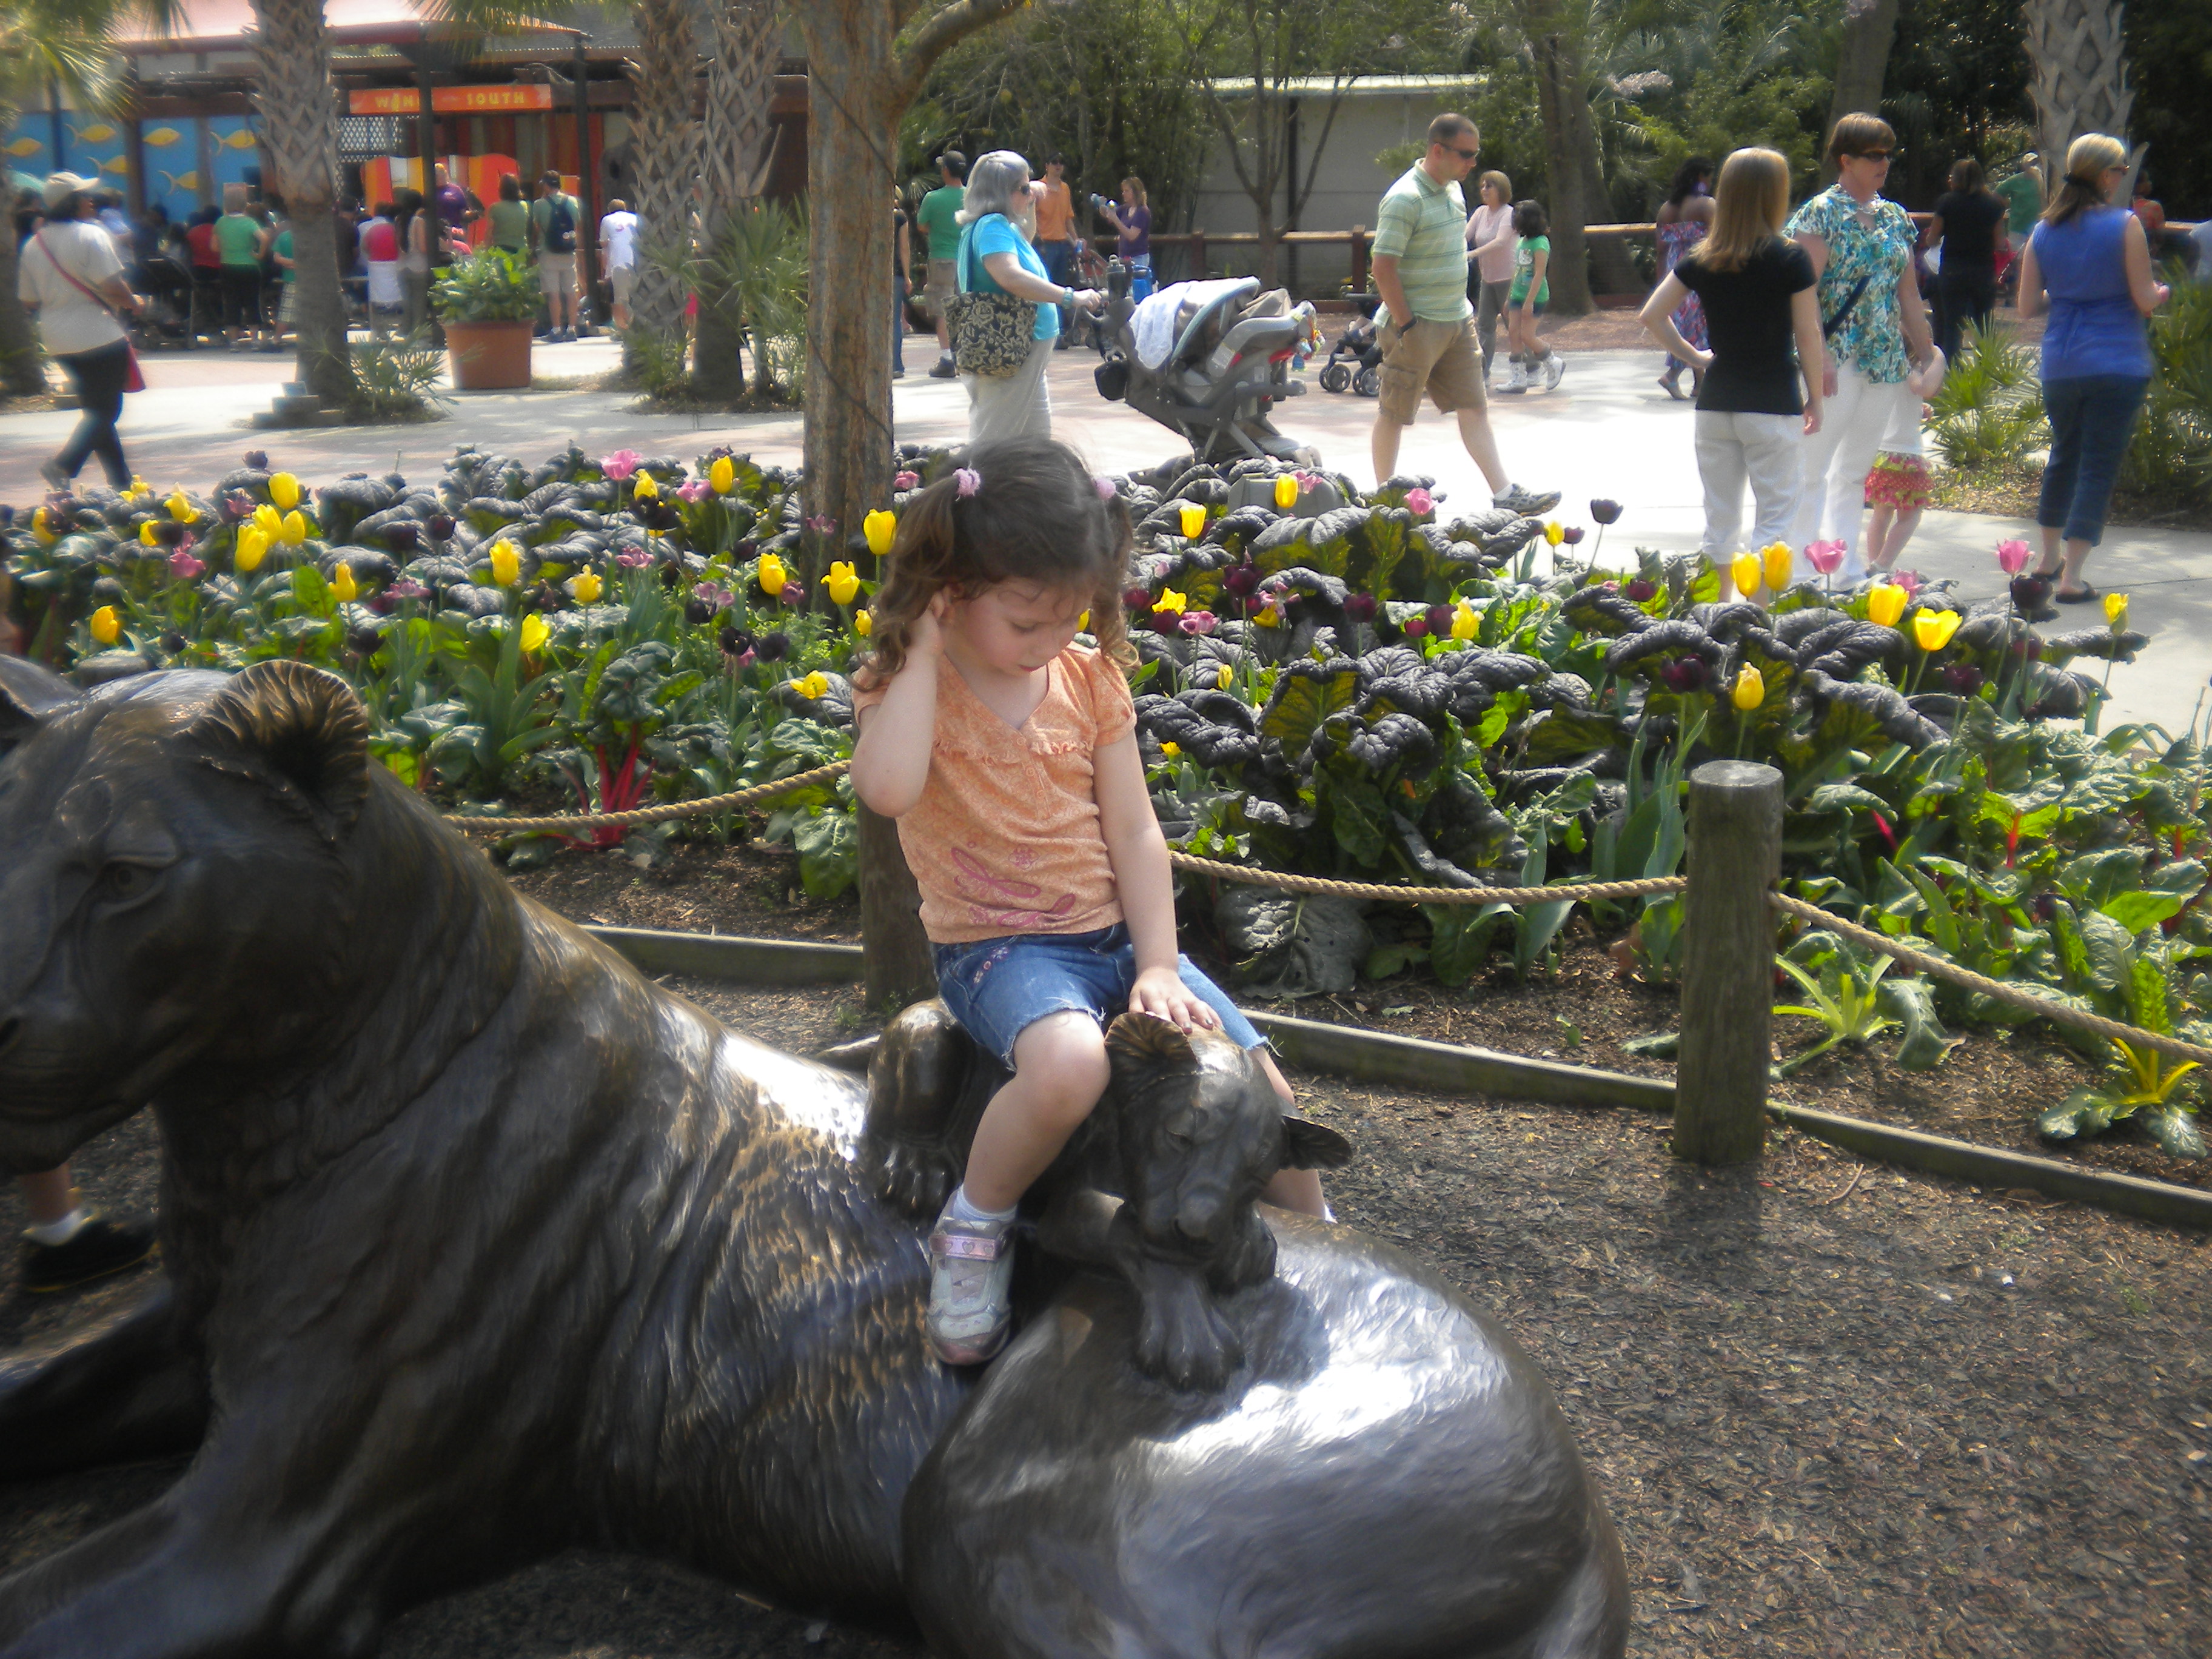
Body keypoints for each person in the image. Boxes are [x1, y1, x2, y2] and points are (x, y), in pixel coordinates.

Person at [847, 435, 1328, 1366]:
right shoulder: (909, 686)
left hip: (1115, 939)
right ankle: (974, 1226)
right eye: (1027, 622)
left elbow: (1136, 833)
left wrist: (1159, 964)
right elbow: (889, 791)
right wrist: (920, 649)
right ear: (951, 587)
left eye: (1069, 617)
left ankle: (1330, 1252)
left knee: (1265, 1098)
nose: (1050, 641)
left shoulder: (1087, 681)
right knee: (1070, 1069)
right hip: (1000, 951)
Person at [1639, 147, 1823, 585]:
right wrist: (1815, 396)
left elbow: (1652, 315)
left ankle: (1717, 612)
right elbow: (1808, 333)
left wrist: (1695, 357)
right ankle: (1759, 614)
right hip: (1773, 401)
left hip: (1716, 402)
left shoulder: (1704, 256)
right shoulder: (1791, 257)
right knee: (1775, 522)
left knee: (1719, 521)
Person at [1367, 116, 1558, 515]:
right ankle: (1384, 502)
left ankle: (1506, 495)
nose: (1473, 164)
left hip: (1457, 320)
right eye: (1466, 155)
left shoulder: (1453, 189)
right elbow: (1382, 268)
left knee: (1475, 406)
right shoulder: (1404, 199)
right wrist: (1407, 324)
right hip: (1415, 325)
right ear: (1438, 150)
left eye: (1475, 155)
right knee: (1395, 412)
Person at [2017, 132, 2170, 603]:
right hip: (2117, 361)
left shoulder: (2043, 231)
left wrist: (2068, 292)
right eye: (2121, 171)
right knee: (2098, 466)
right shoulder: (2125, 225)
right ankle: (2074, 577)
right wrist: (2163, 292)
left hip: (2062, 362)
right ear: (2105, 175)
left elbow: (2026, 306)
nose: (2123, 178)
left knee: (2063, 456)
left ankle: (2047, 560)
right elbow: (2145, 299)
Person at [1785, 112, 1933, 583]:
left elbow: (1908, 294)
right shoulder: (1820, 213)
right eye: (1873, 155)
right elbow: (1803, 290)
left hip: (1884, 360)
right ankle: (1800, 571)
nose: (1883, 163)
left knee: (1854, 473)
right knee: (1812, 468)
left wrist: (1929, 356)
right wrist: (1820, 357)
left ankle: (1843, 570)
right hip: (1836, 355)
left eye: (1888, 154)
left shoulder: (1895, 217)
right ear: (1845, 159)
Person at [951, 150, 1102, 443]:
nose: (1031, 192)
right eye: (1023, 188)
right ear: (1001, 192)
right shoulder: (992, 226)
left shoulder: (998, 226)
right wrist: (1070, 297)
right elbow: (1010, 276)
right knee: (994, 446)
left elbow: (1027, 235)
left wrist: (1029, 201)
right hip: (1010, 352)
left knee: (1036, 445)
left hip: (1021, 353)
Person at [19, 172, 143, 491]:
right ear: (72, 202)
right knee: (107, 410)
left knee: (96, 412)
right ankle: (64, 465)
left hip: (57, 338)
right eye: (85, 196)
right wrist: (134, 302)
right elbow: (112, 285)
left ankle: (122, 484)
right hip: (97, 332)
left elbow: (29, 300)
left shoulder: (35, 243)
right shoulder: (90, 234)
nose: (91, 200)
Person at [1859, 345, 1947, 575]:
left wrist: (1918, 409)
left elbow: (1898, 403)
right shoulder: (1911, 369)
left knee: (1881, 514)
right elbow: (1926, 388)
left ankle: (1875, 567)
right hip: (1904, 455)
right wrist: (1938, 356)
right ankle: (1882, 564)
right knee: (1910, 516)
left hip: (1882, 454)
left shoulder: (1887, 366)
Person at [1924, 158, 2008, 361]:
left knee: (1952, 325)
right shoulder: (1993, 205)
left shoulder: (1947, 202)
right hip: (1983, 270)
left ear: (1957, 179)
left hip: (1953, 270)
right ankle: (1986, 369)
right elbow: (2000, 243)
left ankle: (1953, 371)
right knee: (1984, 326)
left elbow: (1932, 239)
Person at [1653, 158, 1715, 399]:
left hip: (1674, 270)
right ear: (1701, 177)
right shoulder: (1707, 206)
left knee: (1688, 325)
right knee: (1697, 325)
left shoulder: (1666, 209)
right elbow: (1719, 241)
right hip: (1700, 267)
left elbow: (1660, 250)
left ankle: (1697, 383)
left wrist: (1660, 282)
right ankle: (1676, 376)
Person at [1502, 198, 1564, 394]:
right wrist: (1509, 297)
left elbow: (1539, 274)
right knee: (1513, 332)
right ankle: (1518, 378)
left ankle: (1552, 362)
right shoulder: (1522, 242)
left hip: (1535, 297)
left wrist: (1529, 302)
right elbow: (1517, 271)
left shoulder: (1541, 243)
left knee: (1527, 336)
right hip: (1517, 294)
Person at [917, 152, 968, 378]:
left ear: (946, 170)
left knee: (942, 310)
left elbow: (922, 226)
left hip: (941, 258)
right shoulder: (972, 197)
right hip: (966, 258)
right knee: (966, 307)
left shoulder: (932, 198)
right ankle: (966, 356)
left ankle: (947, 359)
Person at [1463, 169, 1515, 381]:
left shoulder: (1509, 214)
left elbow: (1501, 242)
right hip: (1488, 279)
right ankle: (1482, 372)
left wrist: (1471, 254)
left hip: (1509, 279)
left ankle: (1533, 365)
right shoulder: (1480, 212)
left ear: (1501, 189)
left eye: (1489, 186)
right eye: (1483, 186)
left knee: (1514, 325)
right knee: (1484, 325)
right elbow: (1465, 235)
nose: (1484, 190)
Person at [529, 171, 582, 341]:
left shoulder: (539, 204)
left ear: (546, 185)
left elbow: (536, 228)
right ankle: (572, 329)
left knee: (553, 293)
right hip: (568, 251)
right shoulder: (573, 201)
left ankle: (557, 329)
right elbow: (576, 225)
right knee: (571, 291)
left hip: (548, 252)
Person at [213, 183, 266, 350]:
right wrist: (259, 254)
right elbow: (264, 238)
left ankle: (234, 342)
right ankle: (255, 340)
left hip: (228, 266)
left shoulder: (221, 223)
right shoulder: (250, 222)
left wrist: (228, 249)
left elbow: (214, 247)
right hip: (250, 266)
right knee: (252, 302)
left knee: (231, 303)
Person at [1033, 155, 1077, 346]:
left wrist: (1076, 241)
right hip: (1044, 245)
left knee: (1060, 288)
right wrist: (1036, 239)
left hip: (1062, 244)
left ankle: (1060, 331)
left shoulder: (1065, 188)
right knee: (1045, 287)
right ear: (1047, 166)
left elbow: (1068, 218)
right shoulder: (1038, 188)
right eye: (1054, 163)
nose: (1058, 166)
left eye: (1061, 163)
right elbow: (1031, 216)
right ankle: (1048, 331)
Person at [1094, 176, 1153, 302]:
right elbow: (1109, 215)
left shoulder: (1143, 212)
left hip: (1138, 258)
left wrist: (1116, 219)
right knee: (1124, 292)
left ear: (1135, 192)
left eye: (1127, 191)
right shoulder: (1125, 209)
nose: (1123, 194)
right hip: (1124, 258)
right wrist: (1101, 205)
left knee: (1137, 293)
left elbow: (1132, 236)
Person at [394, 187, 435, 341]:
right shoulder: (419, 222)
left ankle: (405, 329)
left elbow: (397, 244)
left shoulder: (399, 220)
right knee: (419, 302)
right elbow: (423, 247)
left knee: (407, 301)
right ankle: (418, 333)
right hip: (418, 267)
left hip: (402, 267)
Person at [360, 199, 403, 338]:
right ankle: (401, 326)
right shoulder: (395, 230)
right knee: (398, 294)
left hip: (376, 267)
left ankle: (378, 330)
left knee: (376, 297)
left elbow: (364, 247)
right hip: (394, 265)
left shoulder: (372, 230)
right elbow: (401, 248)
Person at [599, 197, 638, 329]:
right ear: (625, 209)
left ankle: (622, 329)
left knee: (619, 300)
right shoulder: (635, 218)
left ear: (610, 210)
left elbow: (603, 243)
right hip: (637, 261)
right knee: (635, 297)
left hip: (619, 263)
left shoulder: (607, 219)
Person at [267, 200, 296, 344]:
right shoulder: (314, 238)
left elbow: (276, 258)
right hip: (312, 280)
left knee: (286, 313)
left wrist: (291, 263)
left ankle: (277, 339)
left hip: (291, 279)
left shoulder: (284, 236)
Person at [486, 173, 529, 257]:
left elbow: (489, 233)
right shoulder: (524, 206)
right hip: (520, 251)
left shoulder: (495, 208)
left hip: (501, 251)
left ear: (501, 189)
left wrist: (486, 253)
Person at [893, 186, 911, 378]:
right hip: (895, 273)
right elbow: (904, 248)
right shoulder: (899, 217)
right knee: (895, 319)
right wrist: (907, 276)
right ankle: (895, 365)